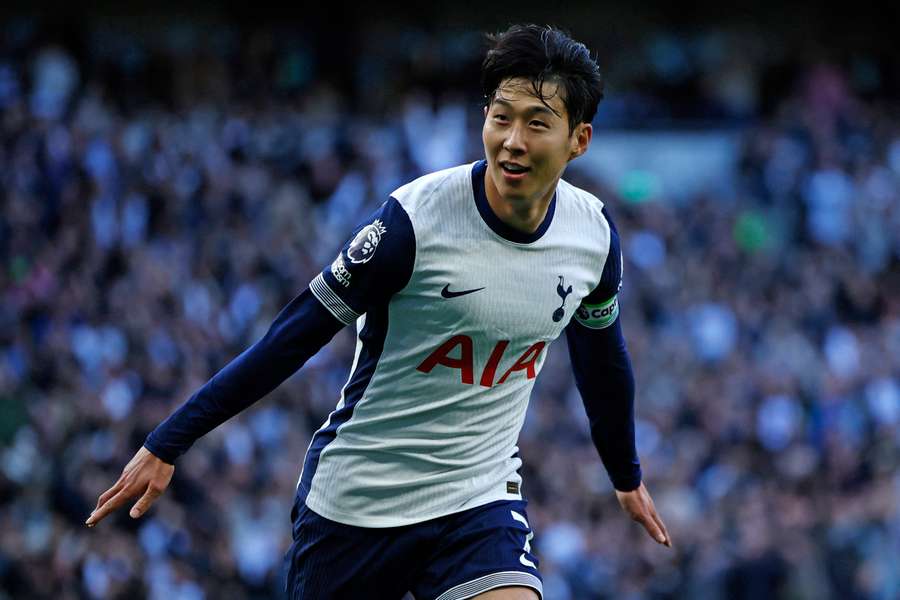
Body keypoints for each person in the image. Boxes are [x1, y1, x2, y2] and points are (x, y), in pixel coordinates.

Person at [86, 24, 672, 599]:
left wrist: (625, 475)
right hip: (359, 501)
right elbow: (293, 336)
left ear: (580, 139)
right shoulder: (416, 222)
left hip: (477, 497)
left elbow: (602, 361)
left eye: (537, 123)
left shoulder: (592, 235)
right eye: (500, 118)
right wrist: (169, 441)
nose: (512, 140)